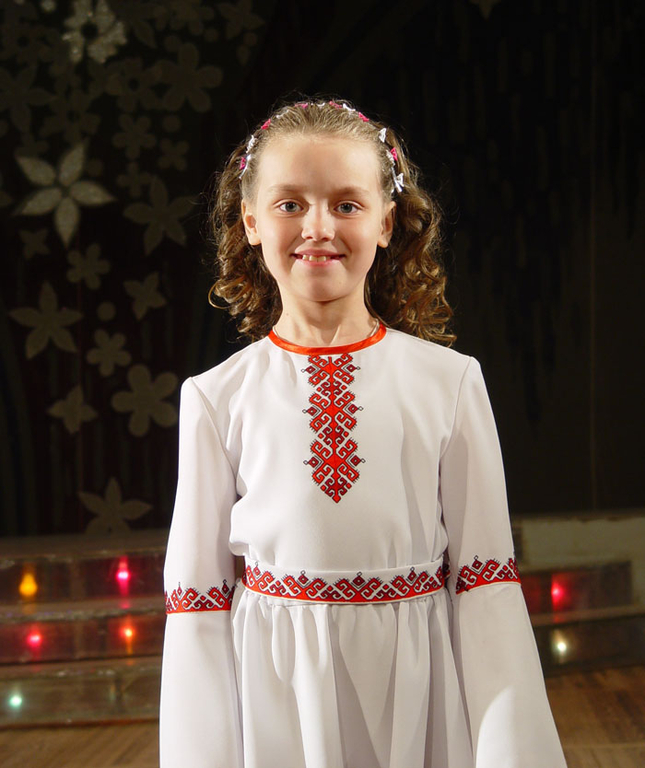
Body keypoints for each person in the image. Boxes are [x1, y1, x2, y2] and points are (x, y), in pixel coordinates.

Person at [159, 98, 568, 768]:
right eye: (290, 204)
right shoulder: (216, 398)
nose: (318, 227)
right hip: (279, 701)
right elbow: (197, 605)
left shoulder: (450, 383)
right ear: (251, 221)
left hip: (419, 691)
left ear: (385, 222)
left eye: (346, 204)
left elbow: (486, 584)